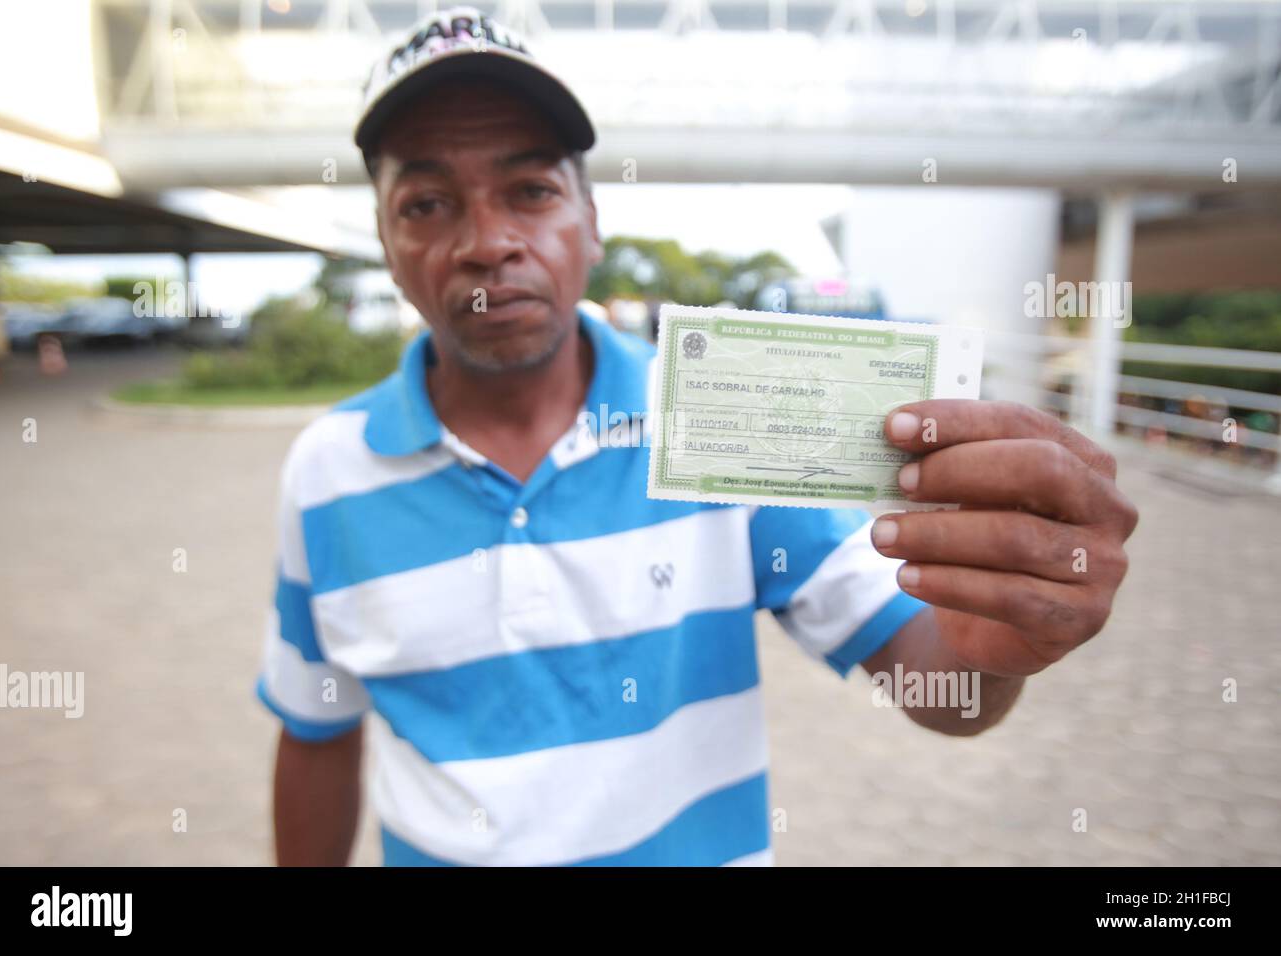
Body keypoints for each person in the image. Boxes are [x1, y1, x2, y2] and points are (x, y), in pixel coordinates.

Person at [256, 6, 1138, 867]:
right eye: (426, 203)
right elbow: (318, 729)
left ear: (591, 223)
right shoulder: (330, 470)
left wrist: (996, 639)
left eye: (531, 190)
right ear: (384, 237)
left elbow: (937, 686)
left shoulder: (717, 424)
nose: (488, 243)